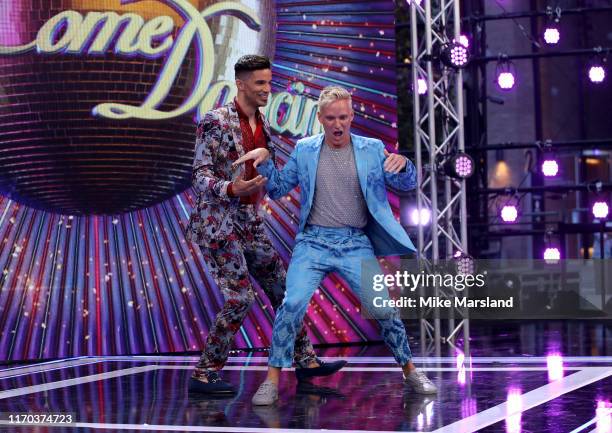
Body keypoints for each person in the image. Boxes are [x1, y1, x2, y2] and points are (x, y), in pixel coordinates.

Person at [233, 85, 438, 405]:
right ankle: (271, 380)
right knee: (292, 304)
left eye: (343, 117)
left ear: (352, 116)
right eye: (331, 118)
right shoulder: (305, 149)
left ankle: (410, 370)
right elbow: (277, 189)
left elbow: (407, 183)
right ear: (320, 118)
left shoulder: (372, 148)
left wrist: (404, 164)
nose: (338, 124)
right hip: (313, 242)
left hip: (354, 243)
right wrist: (264, 161)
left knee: (384, 308)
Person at [185, 56, 345, 395]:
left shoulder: (263, 125)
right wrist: (230, 188)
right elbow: (199, 175)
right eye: (260, 83)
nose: (267, 90)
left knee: (285, 292)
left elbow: (268, 177)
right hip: (218, 225)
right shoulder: (214, 121)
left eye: (269, 83)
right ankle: (204, 373)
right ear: (241, 84)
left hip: (249, 223)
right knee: (239, 297)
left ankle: (305, 362)